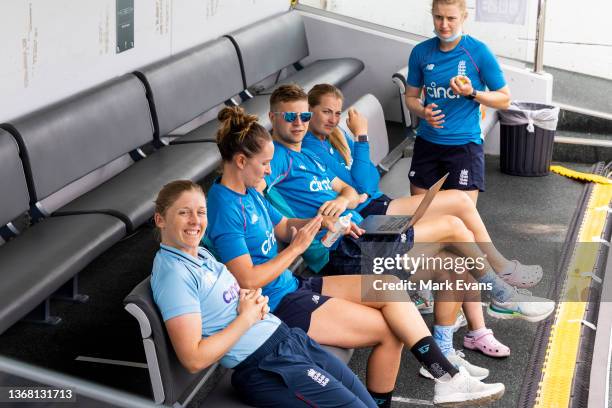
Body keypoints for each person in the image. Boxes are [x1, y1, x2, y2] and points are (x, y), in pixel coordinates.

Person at [205, 106, 506, 407]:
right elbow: (247, 278)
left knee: (389, 286)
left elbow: (283, 226)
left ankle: (447, 380)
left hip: (292, 285)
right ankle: (448, 378)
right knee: (391, 331)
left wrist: (319, 224)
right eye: (265, 164)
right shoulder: (224, 207)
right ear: (242, 161)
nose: (269, 170)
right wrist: (297, 249)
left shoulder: (249, 191)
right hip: (275, 305)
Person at [261, 83, 553, 325]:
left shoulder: (311, 151)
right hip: (358, 235)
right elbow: (257, 185)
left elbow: (356, 187)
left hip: (363, 226)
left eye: (304, 118)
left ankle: (464, 340)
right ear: (274, 118)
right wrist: (360, 147)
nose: (301, 123)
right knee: (455, 225)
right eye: (294, 117)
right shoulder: (282, 156)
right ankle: (502, 292)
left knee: (457, 253)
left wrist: (344, 197)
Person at [303, 83, 512, 358]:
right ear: (310, 112)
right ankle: (501, 277)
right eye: (325, 112)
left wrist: (355, 175)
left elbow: (366, 183)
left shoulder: (333, 138)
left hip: (375, 205)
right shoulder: (308, 148)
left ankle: (479, 327)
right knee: (457, 217)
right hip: (371, 216)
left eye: (336, 112)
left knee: (459, 231)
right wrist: (362, 136)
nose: (332, 118)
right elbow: (363, 184)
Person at [151, 180, 378, 407]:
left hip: (289, 339)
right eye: (184, 213)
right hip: (266, 366)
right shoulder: (173, 275)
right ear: (160, 219)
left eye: (201, 212)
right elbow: (193, 358)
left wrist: (254, 302)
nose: (195, 220)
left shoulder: (200, 254)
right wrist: (246, 317)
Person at [404, 0, 511, 204]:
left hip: (464, 147)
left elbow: (504, 99)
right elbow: (410, 97)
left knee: (461, 220)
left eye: (451, 18)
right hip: (427, 143)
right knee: (421, 216)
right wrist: (423, 111)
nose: (444, 24)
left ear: (463, 17)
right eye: (438, 17)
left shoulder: (478, 52)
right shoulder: (420, 52)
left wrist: (472, 93)